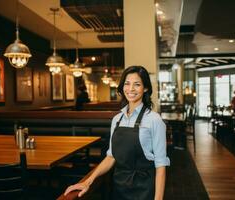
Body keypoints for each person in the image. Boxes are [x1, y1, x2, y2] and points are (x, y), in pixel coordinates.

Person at [64, 66, 170, 199]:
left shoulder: (154, 120)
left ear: (146, 88)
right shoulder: (117, 119)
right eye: (127, 83)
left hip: (144, 189)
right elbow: (111, 156)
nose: (131, 89)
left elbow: (160, 166)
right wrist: (87, 181)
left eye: (137, 84)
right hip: (119, 187)